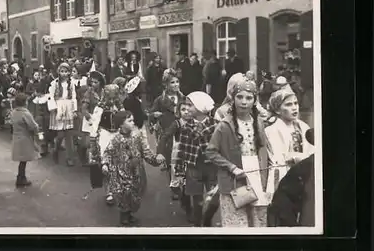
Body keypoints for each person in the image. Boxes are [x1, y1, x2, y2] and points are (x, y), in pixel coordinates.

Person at [205, 78, 270, 227]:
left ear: (255, 101)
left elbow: (263, 149)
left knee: (258, 221)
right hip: (233, 178)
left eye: (249, 97)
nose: (244, 101)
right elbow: (211, 152)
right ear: (233, 99)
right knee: (236, 222)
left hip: (256, 174)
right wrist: (232, 167)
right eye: (239, 97)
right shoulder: (224, 125)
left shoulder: (258, 122)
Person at [102, 111, 165, 226]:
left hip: (137, 171)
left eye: (133, 120)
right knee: (123, 194)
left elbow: (146, 152)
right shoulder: (116, 139)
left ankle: (130, 213)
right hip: (121, 171)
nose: (133, 122)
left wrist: (156, 160)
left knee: (135, 193)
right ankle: (124, 216)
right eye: (129, 120)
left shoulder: (137, 136)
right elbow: (108, 152)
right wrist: (105, 164)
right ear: (121, 124)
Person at [169, 92, 217, 226]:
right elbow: (182, 149)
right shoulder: (186, 127)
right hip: (193, 166)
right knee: (197, 199)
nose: (188, 108)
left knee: (214, 197)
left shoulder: (215, 124)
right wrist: (179, 171)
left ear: (201, 107)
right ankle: (197, 223)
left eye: (191, 105)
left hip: (211, 166)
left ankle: (207, 219)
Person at [264, 86, 314, 195]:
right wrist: (299, 158)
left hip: (304, 176)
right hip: (285, 177)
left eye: (296, 103)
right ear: (277, 109)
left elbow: (311, 150)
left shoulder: (303, 127)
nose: (294, 107)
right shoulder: (272, 130)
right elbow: (280, 159)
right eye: (288, 104)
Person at [48, 63, 78, 166]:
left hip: (68, 107)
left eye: (66, 71)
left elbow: (73, 97)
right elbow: (51, 96)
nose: (64, 74)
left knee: (69, 133)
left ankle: (70, 157)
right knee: (60, 134)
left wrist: (74, 110)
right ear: (59, 72)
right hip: (58, 108)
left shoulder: (71, 83)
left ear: (69, 72)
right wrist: (54, 108)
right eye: (62, 71)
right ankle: (55, 149)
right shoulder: (54, 83)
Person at [11, 93, 40, 188]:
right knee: (23, 160)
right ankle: (21, 178)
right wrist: (36, 131)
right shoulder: (25, 113)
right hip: (25, 138)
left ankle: (21, 177)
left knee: (22, 160)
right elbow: (33, 126)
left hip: (16, 137)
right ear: (24, 103)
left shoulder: (14, 112)